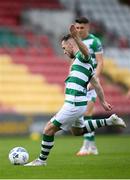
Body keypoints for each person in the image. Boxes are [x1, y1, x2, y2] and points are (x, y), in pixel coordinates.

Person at [25, 24, 126, 166]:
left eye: (64, 48)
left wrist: (77, 37)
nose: (64, 52)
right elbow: (96, 84)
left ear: (71, 45)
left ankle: (41, 160)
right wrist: (103, 101)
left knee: (48, 129)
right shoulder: (87, 65)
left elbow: (85, 52)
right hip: (79, 104)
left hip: (73, 104)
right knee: (77, 131)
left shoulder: (82, 57)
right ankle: (109, 121)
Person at [74, 17, 104, 156]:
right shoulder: (74, 41)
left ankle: (86, 147)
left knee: (86, 113)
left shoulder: (95, 41)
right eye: (77, 28)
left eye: (82, 28)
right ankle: (92, 147)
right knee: (86, 114)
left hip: (91, 81)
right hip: (80, 81)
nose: (79, 30)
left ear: (88, 27)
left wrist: (94, 80)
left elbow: (100, 62)